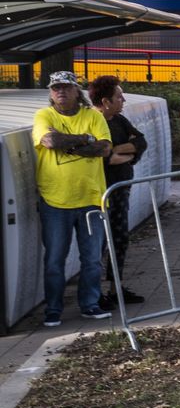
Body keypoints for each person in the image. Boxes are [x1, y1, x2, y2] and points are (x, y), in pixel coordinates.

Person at [31, 70, 113, 327]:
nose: (61, 92)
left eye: (66, 87)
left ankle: (90, 304)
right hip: (55, 201)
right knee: (55, 259)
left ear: (77, 91)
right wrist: (85, 139)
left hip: (91, 198)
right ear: (50, 92)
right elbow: (49, 140)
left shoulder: (93, 115)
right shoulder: (44, 115)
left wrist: (68, 144)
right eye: (56, 88)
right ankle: (53, 310)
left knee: (92, 259)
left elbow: (104, 148)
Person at [89, 75, 147, 306]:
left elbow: (141, 142)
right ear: (106, 101)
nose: (123, 100)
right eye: (119, 97)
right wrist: (124, 154)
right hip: (100, 191)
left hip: (121, 188)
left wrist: (117, 150)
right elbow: (104, 159)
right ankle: (95, 293)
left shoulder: (119, 120)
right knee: (99, 242)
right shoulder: (92, 122)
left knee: (120, 237)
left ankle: (115, 288)